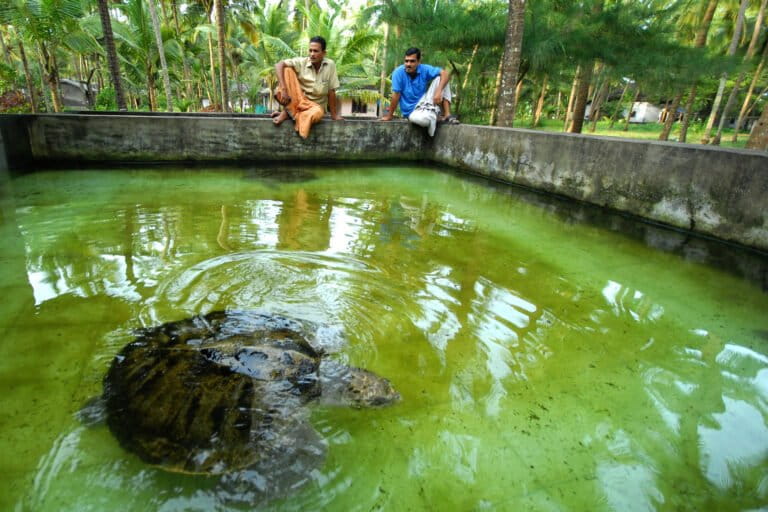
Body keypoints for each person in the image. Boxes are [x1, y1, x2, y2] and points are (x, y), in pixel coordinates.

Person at [272, 36, 343, 138]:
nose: (312, 54)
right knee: (287, 69)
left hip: (314, 108)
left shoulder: (330, 65)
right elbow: (279, 65)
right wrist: (284, 89)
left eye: (316, 51)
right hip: (298, 102)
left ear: (324, 53)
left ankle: (290, 114)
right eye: (310, 51)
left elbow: (331, 91)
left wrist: (334, 115)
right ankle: (289, 111)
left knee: (318, 113)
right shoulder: (302, 62)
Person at [380, 47, 457, 136]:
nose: (408, 64)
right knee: (419, 120)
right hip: (412, 112)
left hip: (426, 102)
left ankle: (447, 114)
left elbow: (445, 73)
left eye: (412, 61)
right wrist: (390, 115)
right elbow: (396, 95)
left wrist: (438, 91)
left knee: (442, 78)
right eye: (406, 61)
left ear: (419, 61)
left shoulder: (424, 69)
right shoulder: (398, 73)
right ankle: (436, 116)